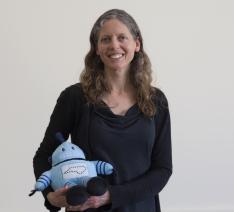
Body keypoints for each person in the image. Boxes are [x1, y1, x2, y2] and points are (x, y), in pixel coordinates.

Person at [33, 9, 172, 212]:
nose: (114, 45)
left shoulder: (156, 101)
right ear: (97, 48)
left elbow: (162, 169)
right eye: (106, 39)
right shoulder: (75, 98)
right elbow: (43, 155)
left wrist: (111, 196)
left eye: (122, 37)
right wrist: (51, 196)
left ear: (137, 44)